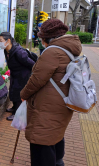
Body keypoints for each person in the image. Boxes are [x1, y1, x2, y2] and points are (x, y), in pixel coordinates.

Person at [20, 19, 82, 166]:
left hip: (48, 107)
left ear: (47, 38)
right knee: (55, 134)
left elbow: (36, 80)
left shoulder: (53, 52)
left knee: (42, 139)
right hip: (61, 103)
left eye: (41, 37)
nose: (41, 40)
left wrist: (23, 95)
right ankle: (58, 161)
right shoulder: (68, 49)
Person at [0, 32, 35, 121]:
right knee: (13, 91)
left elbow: (32, 64)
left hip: (23, 75)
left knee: (19, 93)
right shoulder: (6, 50)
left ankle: (17, 114)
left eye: (1, 41)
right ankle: (14, 107)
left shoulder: (19, 52)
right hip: (15, 73)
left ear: (8, 40)